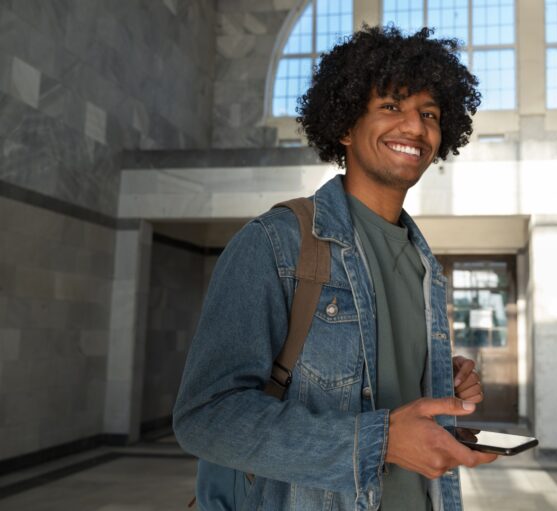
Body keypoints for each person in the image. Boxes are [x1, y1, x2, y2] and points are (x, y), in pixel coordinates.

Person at [173, 25, 496, 511]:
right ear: (345, 127)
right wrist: (379, 442)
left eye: (429, 114)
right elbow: (205, 417)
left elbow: (375, 383)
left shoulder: (422, 263)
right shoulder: (275, 244)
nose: (415, 127)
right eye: (392, 106)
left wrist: (436, 381)